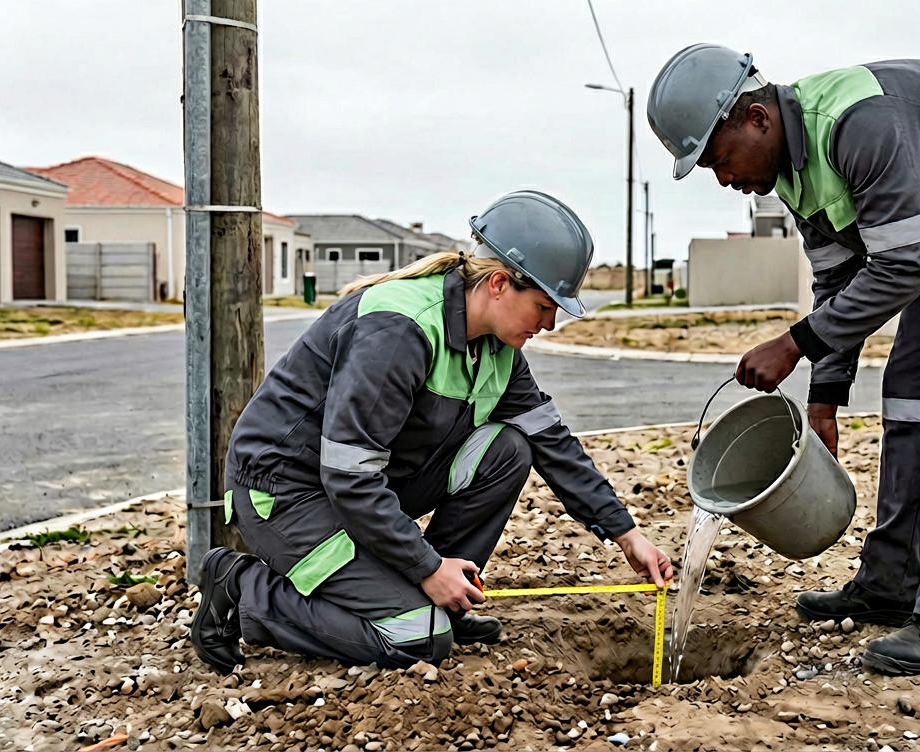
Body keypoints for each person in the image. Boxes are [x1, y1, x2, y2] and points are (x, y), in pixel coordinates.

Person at [647, 46, 920, 675]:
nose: (723, 180)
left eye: (719, 160)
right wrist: (823, 397)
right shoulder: (794, 176)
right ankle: (893, 583)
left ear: (756, 117)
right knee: (910, 390)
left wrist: (794, 344)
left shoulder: (857, 122)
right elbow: (840, 281)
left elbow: (900, 268)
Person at [191, 191, 674, 674]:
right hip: (286, 493)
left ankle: (443, 599)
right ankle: (242, 588)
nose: (549, 324)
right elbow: (349, 474)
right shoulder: (400, 330)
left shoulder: (498, 349)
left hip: (356, 488)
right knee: (415, 637)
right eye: (545, 306)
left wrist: (627, 534)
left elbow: (552, 443)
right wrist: (425, 567)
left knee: (507, 449)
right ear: (501, 284)